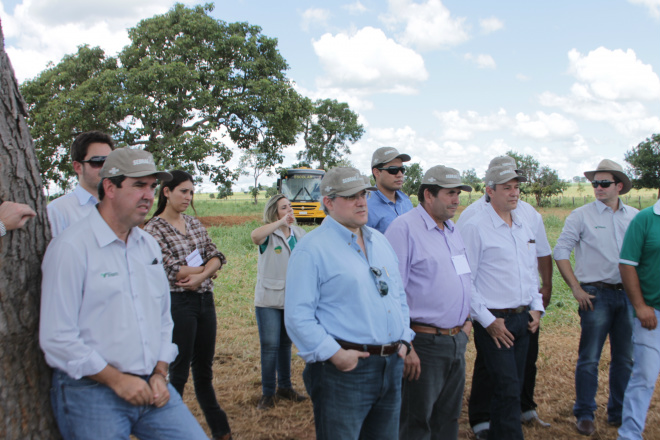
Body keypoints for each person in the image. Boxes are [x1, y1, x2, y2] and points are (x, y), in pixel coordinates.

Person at [40, 148, 208, 440]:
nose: (148, 195)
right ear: (110, 187)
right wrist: (117, 381)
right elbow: (57, 337)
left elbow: (162, 318)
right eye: (138, 185)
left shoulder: (147, 246)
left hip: (152, 386)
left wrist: (159, 371)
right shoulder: (72, 247)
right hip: (92, 391)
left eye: (152, 186)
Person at [284, 167, 413, 440]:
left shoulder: (380, 241)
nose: (361, 201)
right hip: (344, 371)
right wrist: (335, 355)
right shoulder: (311, 249)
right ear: (328, 202)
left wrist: (403, 339)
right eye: (350, 196)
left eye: (364, 194)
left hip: (390, 365)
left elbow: (398, 295)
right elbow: (298, 316)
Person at [457, 155, 553, 438]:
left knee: (510, 387)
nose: (514, 193)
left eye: (516, 187)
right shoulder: (474, 225)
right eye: (507, 187)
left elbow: (529, 270)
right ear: (490, 190)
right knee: (508, 388)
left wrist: (536, 308)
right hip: (495, 322)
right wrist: (487, 321)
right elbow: (466, 280)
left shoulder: (524, 222)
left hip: (523, 318)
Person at [385, 165, 473, 440]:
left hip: (455, 340)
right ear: (428, 195)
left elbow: (462, 276)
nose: (456, 200)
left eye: (458, 193)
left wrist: (466, 322)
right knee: (415, 421)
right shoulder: (403, 229)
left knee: (447, 419)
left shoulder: (451, 228)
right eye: (450, 193)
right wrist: (406, 344)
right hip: (422, 344)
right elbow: (390, 292)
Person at [143, 170, 232, 440]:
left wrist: (202, 275)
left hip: (205, 299)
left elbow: (216, 254)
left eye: (191, 192)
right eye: (183, 191)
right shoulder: (153, 229)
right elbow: (173, 271)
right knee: (178, 371)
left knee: (204, 370)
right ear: (166, 192)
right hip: (179, 303)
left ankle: (221, 430)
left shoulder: (193, 223)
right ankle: (169, 429)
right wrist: (206, 269)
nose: (188, 197)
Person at [554, 159, 637, 436]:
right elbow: (561, 251)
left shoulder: (635, 216)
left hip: (628, 295)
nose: (598, 188)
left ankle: (618, 412)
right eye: (594, 184)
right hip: (595, 295)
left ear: (619, 186)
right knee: (589, 357)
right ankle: (585, 412)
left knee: (624, 358)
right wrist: (576, 289)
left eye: (604, 183)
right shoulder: (581, 215)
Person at [250, 194, 308, 409]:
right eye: (284, 208)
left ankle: (285, 387)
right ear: (275, 212)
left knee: (285, 345)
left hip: (291, 299)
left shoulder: (299, 234)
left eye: (290, 207)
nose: (289, 211)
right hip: (268, 300)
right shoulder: (268, 234)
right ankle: (268, 393)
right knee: (270, 345)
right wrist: (280, 223)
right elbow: (254, 236)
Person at [616, 194, 660, 439]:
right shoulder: (645, 219)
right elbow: (627, 263)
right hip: (652, 314)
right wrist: (640, 306)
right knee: (645, 374)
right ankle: (630, 434)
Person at [47, 131, 115, 236]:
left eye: (110, 162)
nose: (105, 168)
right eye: (98, 161)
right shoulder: (57, 212)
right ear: (78, 167)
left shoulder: (121, 207)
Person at [367, 146, 413, 233]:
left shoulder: (406, 201)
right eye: (393, 170)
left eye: (402, 170)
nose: (400, 174)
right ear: (376, 172)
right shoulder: (365, 206)